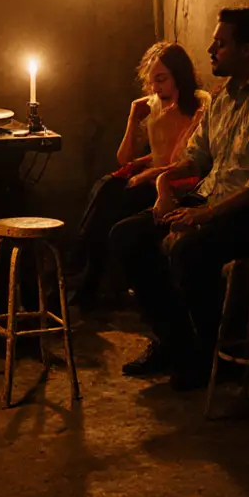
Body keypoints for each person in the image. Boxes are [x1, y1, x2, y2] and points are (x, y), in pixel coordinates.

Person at [111, 8, 249, 390]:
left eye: (221, 43)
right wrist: (164, 187)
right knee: (128, 235)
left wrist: (204, 216)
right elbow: (198, 156)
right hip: (214, 199)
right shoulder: (224, 98)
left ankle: (206, 357)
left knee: (190, 250)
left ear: (248, 49)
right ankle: (176, 344)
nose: (211, 49)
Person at [69, 42, 210, 307]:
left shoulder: (200, 106)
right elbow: (125, 158)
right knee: (107, 186)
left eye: (162, 79)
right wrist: (133, 119)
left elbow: (185, 161)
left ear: (179, 75)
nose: (156, 88)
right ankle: (86, 277)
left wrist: (148, 174)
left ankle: (80, 271)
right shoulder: (156, 107)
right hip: (155, 177)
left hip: (180, 183)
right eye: (152, 81)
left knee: (110, 197)